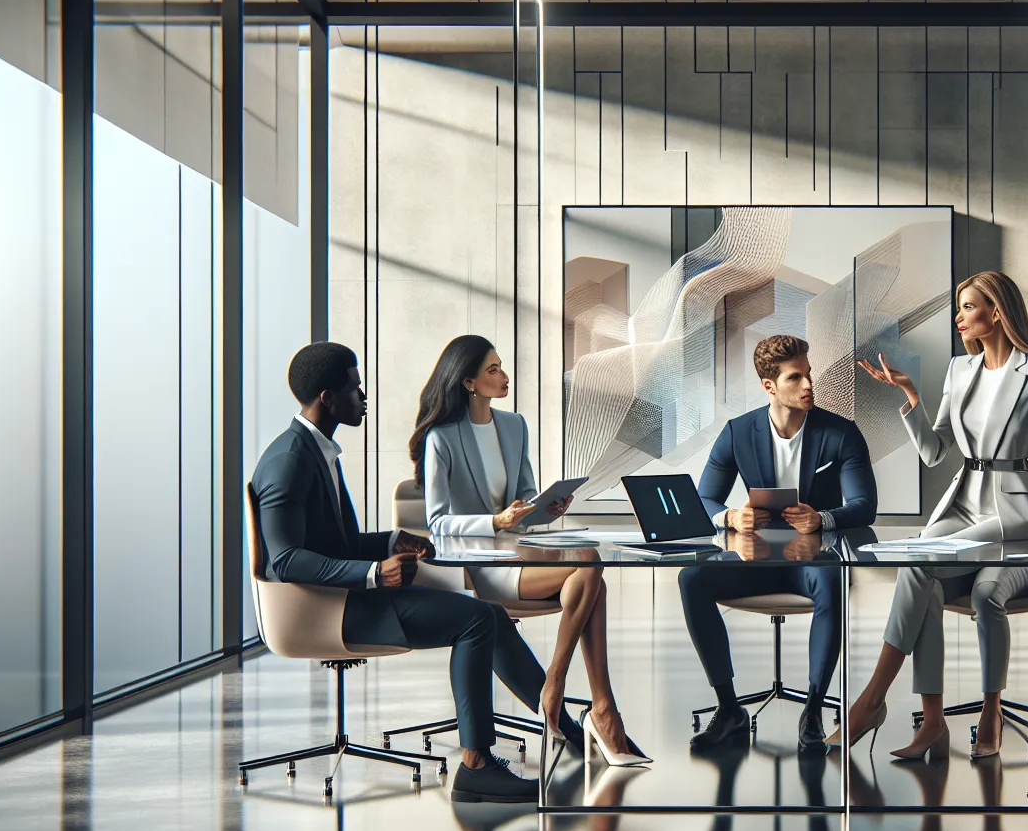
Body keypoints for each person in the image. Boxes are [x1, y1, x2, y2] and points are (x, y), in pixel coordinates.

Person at [252, 342, 535, 803]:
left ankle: (563, 724)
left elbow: (332, 543)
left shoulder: (315, 450)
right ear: (328, 398)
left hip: (344, 596)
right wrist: (373, 573)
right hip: (328, 610)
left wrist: (391, 541)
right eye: (355, 388)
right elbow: (285, 560)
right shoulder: (289, 461)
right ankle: (477, 765)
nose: (364, 396)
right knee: (477, 619)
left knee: (489, 613)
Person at [839, 271, 1028, 760]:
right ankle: (932, 720)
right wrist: (911, 398)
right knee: (917, 569)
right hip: (963, 499)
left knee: (937, 569)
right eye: (959, 307)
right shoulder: (959, 370)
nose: (958, 317)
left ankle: (875, 701)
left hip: (1011, 507)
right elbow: (936, 451)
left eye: (968, 307)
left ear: (996, 312)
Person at [412, 334, 648, 766]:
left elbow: (524, 503)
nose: (504, 376)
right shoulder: (441, 438)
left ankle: (565, 690)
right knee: (592, 578)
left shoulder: (514, 425)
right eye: (493, 370)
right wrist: (494, 522)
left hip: (518, 550)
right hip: (478, 565)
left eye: (501, 366)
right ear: (468, 382)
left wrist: (546, 507)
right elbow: (438, 522)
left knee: (589, 563)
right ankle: (587, 702)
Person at [681, 334, 877, 754]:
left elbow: (865, 505)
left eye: (808, 374)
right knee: (691, 578)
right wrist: (730, 517)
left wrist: (822, 518)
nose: (808, 385)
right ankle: (729, 708)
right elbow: (704, 498)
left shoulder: (841, 433)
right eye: (795, 378)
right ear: (769, 386)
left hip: (814, 561)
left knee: (833, 580)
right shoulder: (738, 432)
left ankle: (813, 710)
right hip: (754, 561)